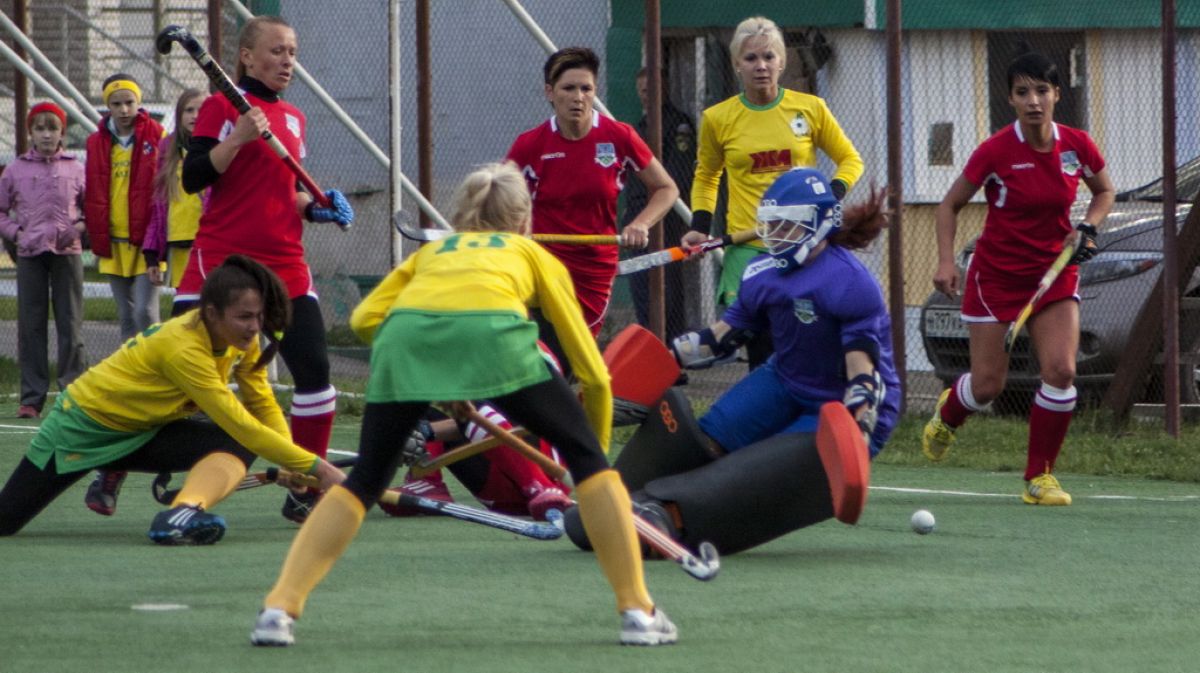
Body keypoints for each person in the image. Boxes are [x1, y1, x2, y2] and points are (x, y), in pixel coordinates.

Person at [250, 163, 677, 648]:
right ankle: (638, 612)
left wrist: (436, 371)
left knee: (365, 480)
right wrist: (593, 458)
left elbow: (365, 319)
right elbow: (594, 374)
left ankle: (278, 609)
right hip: (497, 341)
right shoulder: (531, 253)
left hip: (403, 343)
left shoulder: (432, 252)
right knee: (589, 462)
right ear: (525, 219)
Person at [563, 168, 897, 555]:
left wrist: (858, 426)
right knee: (699, 441)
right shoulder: (762, 273)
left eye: (789, 224)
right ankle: (609, 498)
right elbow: (718, 341)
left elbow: (862, 374)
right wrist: (660, 365)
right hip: (785, 380)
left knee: (757, 473)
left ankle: (670, 518)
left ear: (823, 223)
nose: (776, 233)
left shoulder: (850, 282)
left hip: (840, 406)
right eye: (772, 223)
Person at [0, 255, 345, 543]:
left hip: (146, 431)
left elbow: (262, 402)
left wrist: (292, 462)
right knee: (5, 522)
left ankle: (182, 513)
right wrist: (320, 469)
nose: (255, 327)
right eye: (244, 317)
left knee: (237, 439)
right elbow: (240, 422)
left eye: (259, 316)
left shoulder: (241, 338)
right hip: (80, 430)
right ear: (212, 313)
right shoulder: (183, 349)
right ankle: (110, 467)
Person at [176, 15, 354, 525]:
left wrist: (315, 209)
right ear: (247, 57)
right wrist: (238, 137)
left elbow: (287, 193)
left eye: (292, 52)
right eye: (277, 51)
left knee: (315, 374)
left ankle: (304, 487)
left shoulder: (294, 118)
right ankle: (115, 465)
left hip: (284, 263)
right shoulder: (220, 107)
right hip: (224, 261)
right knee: (181, 383)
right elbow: (193, 177)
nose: (287, 61)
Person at [922, 51, 1115, 506]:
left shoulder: (1077, 146)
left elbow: (1105, 190)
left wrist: (1087, 227)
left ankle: (1039, 478)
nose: (1033, 101)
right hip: (997, 277)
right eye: (1023, 92)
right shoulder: (995, 151)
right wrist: (946, 262)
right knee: (987, 386)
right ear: (1010, 99)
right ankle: (948, 415)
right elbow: (949, 205)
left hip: (1054, 273)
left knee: (1061, 371)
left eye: (1042, 91)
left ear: (1057, 94)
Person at [683, 16, 863, 369]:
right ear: (737, 64)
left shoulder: (810, 108)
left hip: (802, 245)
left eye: (769, 56)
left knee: (804, 341)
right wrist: (700, 226)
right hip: (748, 248)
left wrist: (827, 199)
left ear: (782, 61)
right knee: (762, 348)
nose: (761, 66)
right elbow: (706, 176)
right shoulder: (718, 118)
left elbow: (850, 160)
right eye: (751, 58)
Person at [506, 47, 678, 350]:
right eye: (568, 88)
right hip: (543, 263)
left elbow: (666, 189)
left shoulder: (619, 136)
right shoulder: (530, 144)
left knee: (576, 353)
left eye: (586, 89)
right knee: (547, 352)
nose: (578, 97)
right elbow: (498, 198)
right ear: (550, 92)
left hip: (595, 268)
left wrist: (641, 224)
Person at [0, 102, 87, 420]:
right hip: (30, 255)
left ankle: (73, 393)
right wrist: (17, 233)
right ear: (31, 133)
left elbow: (91, 209)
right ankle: (31, 398)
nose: (47, 135)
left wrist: (78, 229)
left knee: (70, 323)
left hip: (68, 254)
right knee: (31, 325)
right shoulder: (15, 170)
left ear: (62, 132)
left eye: (53, 128)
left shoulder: (76, 168)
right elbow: (1, 212)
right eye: (40, 129)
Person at [84, 73, 164, 340]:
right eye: (116, 104)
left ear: (138, 102)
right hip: (113, 241)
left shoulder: (157, 135)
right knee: (126, 315)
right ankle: (129, 364)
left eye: (129, 102)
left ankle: (155, 362)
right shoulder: (96, 142)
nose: (124, 110)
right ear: (108, 106)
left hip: (146, 242)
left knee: (145, 312)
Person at [622, 67, 697, 343]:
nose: (646, 95)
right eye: (642, 90)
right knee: (641, 282)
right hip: (637, 216)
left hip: (667, 213)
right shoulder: (638, 128)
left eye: (651, 89)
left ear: (664, 89)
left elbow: (679, 174)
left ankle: (672, 347)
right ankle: (651, 344)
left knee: (668, 285)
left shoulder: (678, 125)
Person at [144, 87, 207, 289]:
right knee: (184, 302)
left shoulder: (218, 147)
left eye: (201, 110)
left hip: (207, 240)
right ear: (179, 115)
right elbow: (159, 204)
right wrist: (151, 254)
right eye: (189, 110)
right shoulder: (168, 148)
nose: (195, 116)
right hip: (177, 240)